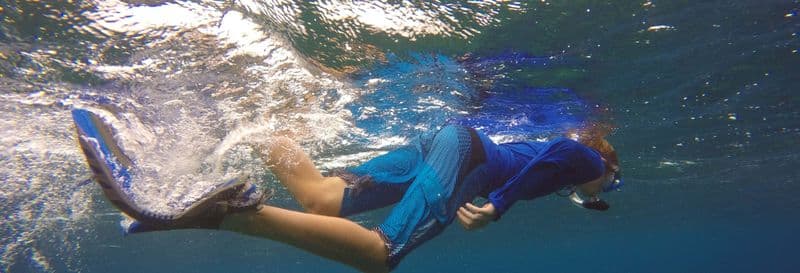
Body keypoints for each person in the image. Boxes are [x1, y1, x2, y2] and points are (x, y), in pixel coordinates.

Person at [74, 110, 621, 273]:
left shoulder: (558, 177)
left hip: (451, 141)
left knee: (321, 197)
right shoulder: (588, 160)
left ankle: (244, 117)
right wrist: (499, 204)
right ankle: (231, 212)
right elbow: (566, 151)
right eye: (612, 180)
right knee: (381, 254)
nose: (604, 186)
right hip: (468, 156)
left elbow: (548, 161)